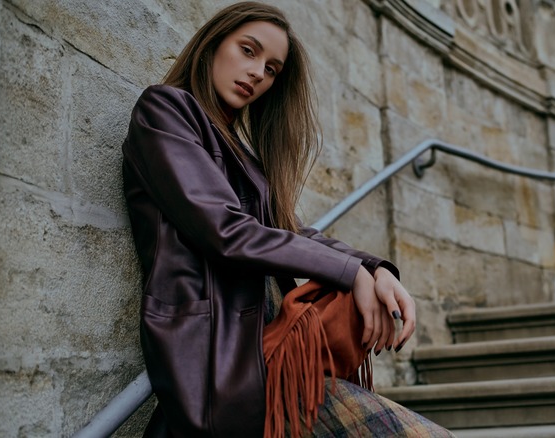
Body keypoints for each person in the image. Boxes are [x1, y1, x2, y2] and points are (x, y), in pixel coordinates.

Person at [122, 2, 454, 436]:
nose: (258, 72)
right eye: (247, 50)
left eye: (273, 69)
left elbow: (290, 231)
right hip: (216, 373)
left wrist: (373, 268)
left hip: (268, 365)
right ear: (211, 46)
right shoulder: (165, 112)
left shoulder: (247, 160)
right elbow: (228, 232)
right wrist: (350, 272)